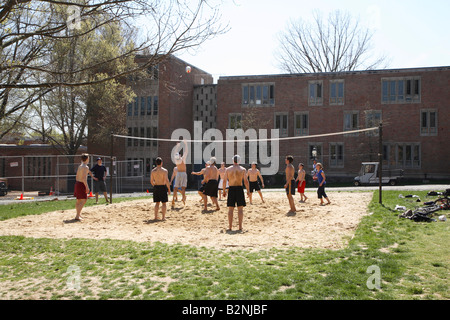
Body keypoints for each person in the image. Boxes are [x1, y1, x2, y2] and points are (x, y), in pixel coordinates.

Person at [223, 155, 249, 231]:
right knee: (240, 209)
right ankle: (240, 227)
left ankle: (230, 227)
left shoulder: (228, 169)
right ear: (239, 161)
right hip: (239, 188)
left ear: (232, 161)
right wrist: (248, 191)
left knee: (230, 209)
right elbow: (246, 181)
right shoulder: (243, 169)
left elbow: (224, 181)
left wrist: (224, 191)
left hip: (231, 188)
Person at [73, 153, 90, 221]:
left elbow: (77, 176)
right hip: (81, 184)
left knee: (78, 200)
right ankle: (77, 215)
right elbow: (84, 178)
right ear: (87, 159)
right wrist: (87, 187)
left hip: (77, 183)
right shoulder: (85, 167)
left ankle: (78, 214)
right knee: (84, 200)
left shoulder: (80, 166)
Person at [172, 140, 188, 206]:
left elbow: (175, 153)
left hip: (179, 173)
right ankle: (182, 198)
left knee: (176, 187)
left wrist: (177, 146)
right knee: (182, 187)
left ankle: (174, 199)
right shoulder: (182, 159)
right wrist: (186, 144)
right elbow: (186, 152)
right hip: (182, 173)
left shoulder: (177, 160)